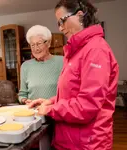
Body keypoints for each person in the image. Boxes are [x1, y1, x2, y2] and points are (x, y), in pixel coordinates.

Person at [28, 0, 119, 150]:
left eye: (62, 21)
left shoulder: (96, 50)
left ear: (79, 16)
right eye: (58, 23)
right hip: (72, 139)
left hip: (87, 142)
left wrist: (52, 109)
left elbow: (87, 106)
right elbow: (72, 93)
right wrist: (50, 101)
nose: (60, 27)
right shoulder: (78, 50)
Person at [18, 25, 63, 105]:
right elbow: (22, 94)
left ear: (48, 43)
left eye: (39, 43)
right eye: (32, 45)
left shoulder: (63, 61)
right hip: (34, 112)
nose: (36, 48)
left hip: (56, 111)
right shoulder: (25, 66)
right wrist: (25, 100)